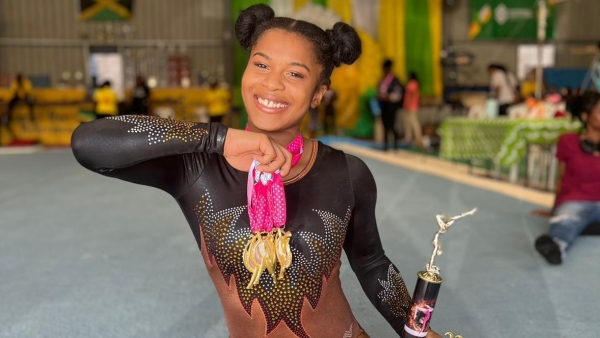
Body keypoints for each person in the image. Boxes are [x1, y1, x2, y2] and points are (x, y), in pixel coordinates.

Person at [72, 4, 441, 338]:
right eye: (261, 65)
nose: (272, 83)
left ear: (318, 94)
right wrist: (217, 138)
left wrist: (418, 330)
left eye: (295, 74)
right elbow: (89, 145)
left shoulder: (346, 172)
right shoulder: (197, 167)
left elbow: (371, 263)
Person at [533, 92, 600, 265]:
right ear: (585, 116)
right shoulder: (568, 141)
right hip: (576, 201)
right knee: (565, 220)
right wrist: (555, 209)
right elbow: (561, 178)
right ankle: (556, 248)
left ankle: (586, 225)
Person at [378, 59, 403, 151]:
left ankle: (395, 146)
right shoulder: (382, 79)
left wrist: (386, 98)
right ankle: (386, 146)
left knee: (392, 126)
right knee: (385, 126)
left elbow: (397, 95)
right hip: (383, 106)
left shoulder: (394, 80)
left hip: (391, 107)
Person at [401, 72, 422, 146]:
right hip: (409, 105)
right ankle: (408, 137)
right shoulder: (413, 83)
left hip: (411, 106)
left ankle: (418, 138)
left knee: (414, 122)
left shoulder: (413, 84)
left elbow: (412, 95)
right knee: (408, 123)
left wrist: (408, 104)